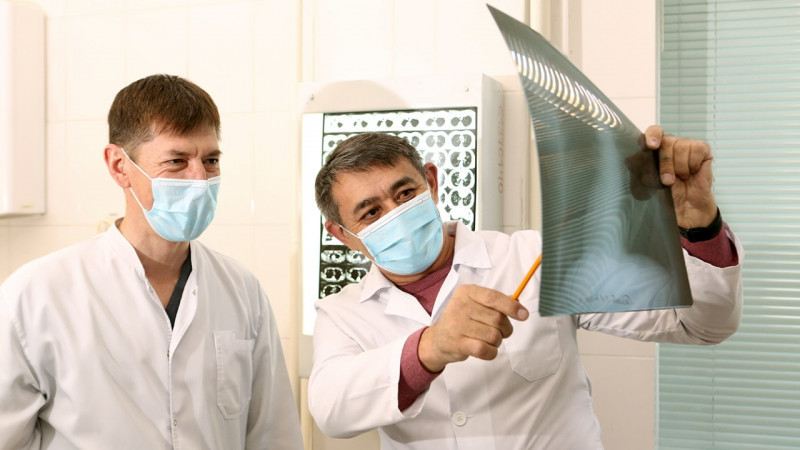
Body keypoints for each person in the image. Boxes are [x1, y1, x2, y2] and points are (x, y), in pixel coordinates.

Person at [308, 129, 743, 449]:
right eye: (371, 212)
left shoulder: (536, 257)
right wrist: (429, 347)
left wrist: (698, 225)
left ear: (432, 183)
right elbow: (330, 410)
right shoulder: (341, 314)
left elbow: (700, 324)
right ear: (342, 234)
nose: (395, 214)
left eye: (405, 193)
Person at [0, 75, 303, 449]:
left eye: (210, 160)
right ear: (119, 166)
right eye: (177, 161)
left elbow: (274, 434)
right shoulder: (36, 294)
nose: (200, 179)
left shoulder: (242, 289)